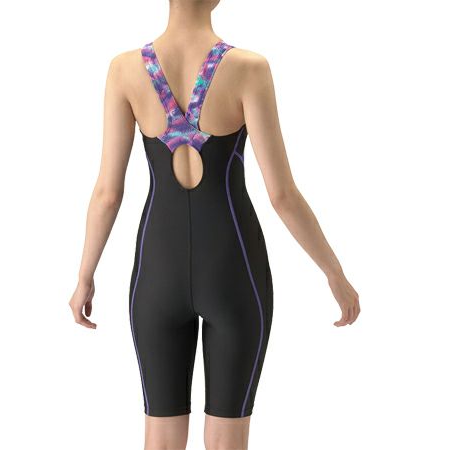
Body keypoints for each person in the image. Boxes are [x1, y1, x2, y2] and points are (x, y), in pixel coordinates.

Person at [68, 0, 360, 448]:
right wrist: (334, 273)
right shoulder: (248, 69)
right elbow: (282, 195)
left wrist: (85, 276)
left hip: (157, 273)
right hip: (233, 269)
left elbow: (108, 193)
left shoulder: (125, 70)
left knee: (160, 440)